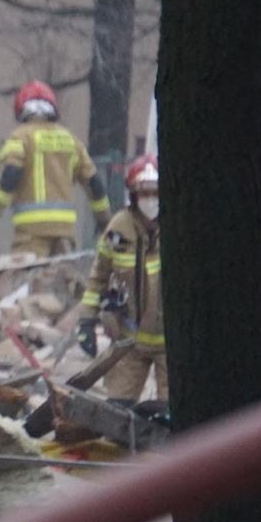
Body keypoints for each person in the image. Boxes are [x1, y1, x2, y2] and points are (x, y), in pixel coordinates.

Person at [0, 80, 110, 255]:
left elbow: (10, 176)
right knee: (62, 279)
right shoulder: (71, 140)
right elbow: (94, 184)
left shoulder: (20, 137)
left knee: (27, 280)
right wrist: (104, 222)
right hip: (65, 230)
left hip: (31, 232)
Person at [76, 154, 166, 405]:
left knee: (173, 418)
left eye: (156, 192)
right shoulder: (119, 228)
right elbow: (98, 279)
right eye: (144, 193)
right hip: (130, 343)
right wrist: (86, 321)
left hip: (173, 346)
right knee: (116, 411)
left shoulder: (181, 224)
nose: (151, 200)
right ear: (133, 195)